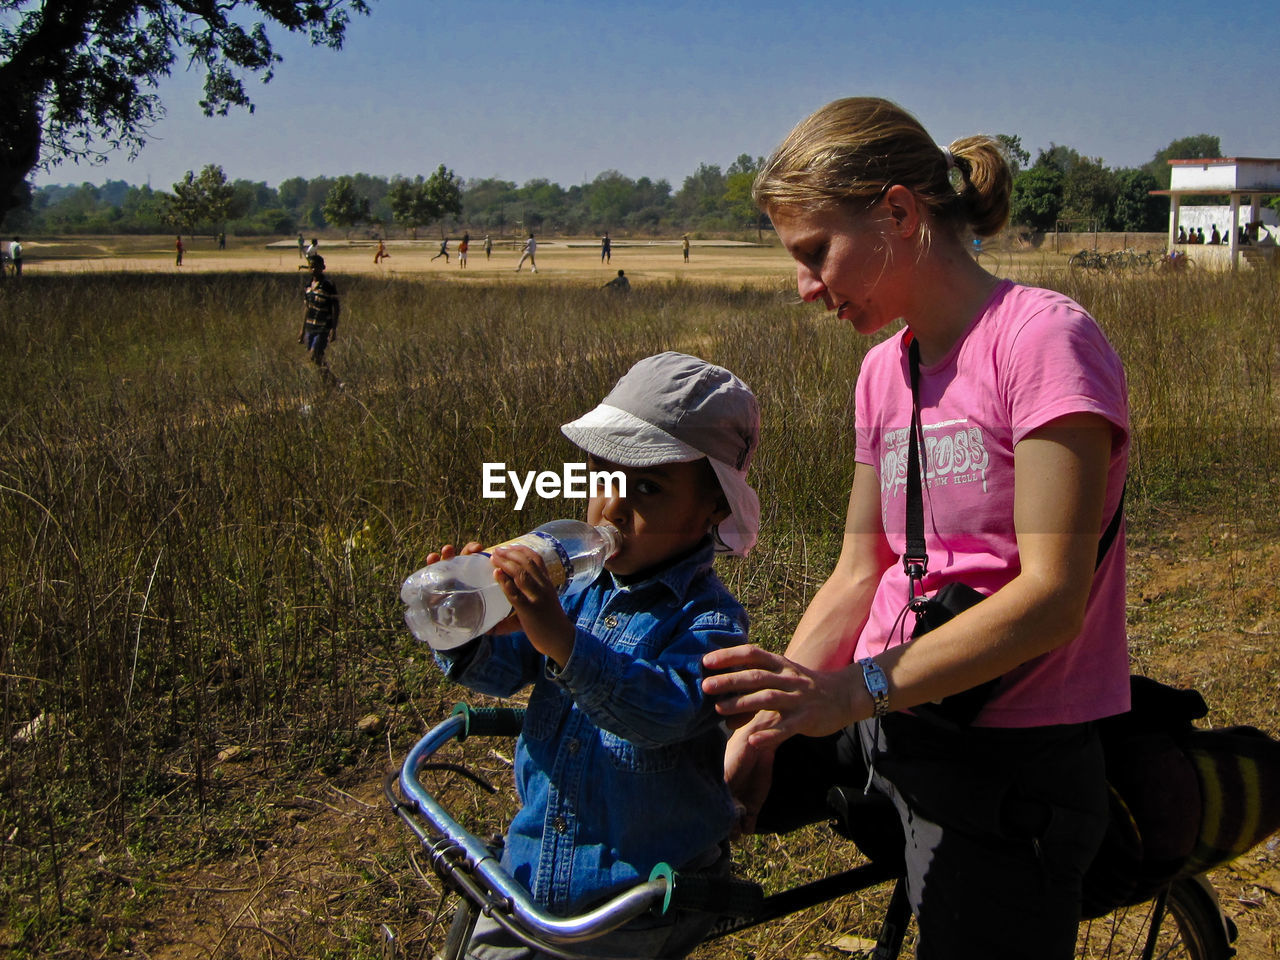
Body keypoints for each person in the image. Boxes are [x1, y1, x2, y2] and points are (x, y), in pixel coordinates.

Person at [700, 97, 1130, 960]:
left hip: (1008, 752)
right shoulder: (880, 375)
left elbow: (1051, 600)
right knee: (672, 788)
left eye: (816, 253)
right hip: (892, 716)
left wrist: (850, 693)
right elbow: (859, 572)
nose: (806, 287)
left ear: (898, 212)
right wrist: (771, 723)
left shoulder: (1043, 341)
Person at [430, 351, 761, 960]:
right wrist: (470, 626)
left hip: (639, 894)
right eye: (602, 480)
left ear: (714, 508)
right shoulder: (576, 587)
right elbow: (511, 671)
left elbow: (660, 714)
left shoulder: (709, 620)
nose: (611, 508)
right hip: (534, 868)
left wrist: (562, 640)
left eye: (648, 488)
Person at [296, 254, 340, 376]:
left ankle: (333, 382)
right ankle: (330, 382)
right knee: (316, 359)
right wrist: (302, 329)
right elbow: (307, 308)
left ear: (323, 267)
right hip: (310, 327)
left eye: (316, 267)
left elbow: (335, 307)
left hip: (323, 327)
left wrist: (333, 329)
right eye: (311, 267)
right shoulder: (308, 286)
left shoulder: (328, 285)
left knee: (314, 354)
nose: (314, 269)